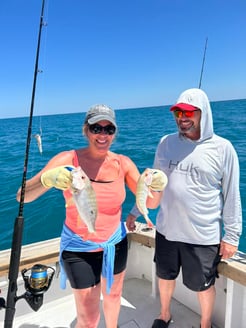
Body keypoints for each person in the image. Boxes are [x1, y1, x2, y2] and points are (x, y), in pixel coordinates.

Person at [17, 104, 165, 328]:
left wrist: (159, 183)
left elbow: (152, 202)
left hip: (115, 243)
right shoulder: (68, 160)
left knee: (114, 297)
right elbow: (22, 196)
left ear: (114, 133)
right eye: (96, 128)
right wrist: (47, 179)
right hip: (79, 248)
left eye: (109, 129)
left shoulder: (123, 163)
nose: (103, 135)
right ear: (86, 130)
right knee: (89, 319)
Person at [126, 88, 242, 328]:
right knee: (164, 276)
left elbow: (232, 193)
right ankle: (165, 314)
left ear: (203, 113)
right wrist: (136, 211)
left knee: (204, 285)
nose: (182, 117)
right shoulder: (165, 143)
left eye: (189, 112)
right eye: (178, 112)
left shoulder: (223, 148)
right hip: (167, 229)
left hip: (202, 235)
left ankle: (206, 323)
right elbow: (153, 184)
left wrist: (232, 235)